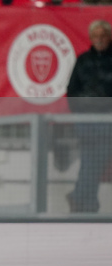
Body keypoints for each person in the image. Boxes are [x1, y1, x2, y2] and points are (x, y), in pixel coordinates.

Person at [66, 20, 112, 213]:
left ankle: (80, 198)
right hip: (85, 120)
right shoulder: (83, 60)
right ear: (91, 38)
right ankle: (86, 202)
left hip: (107, 120)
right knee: (90, 160)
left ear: (109, 37)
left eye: (103, 36)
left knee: (94, 160)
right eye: (96, 36)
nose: (99, 40)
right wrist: (80, 110)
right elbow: (72, 91)